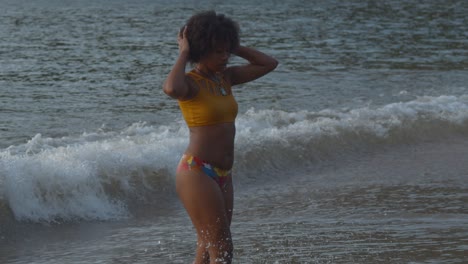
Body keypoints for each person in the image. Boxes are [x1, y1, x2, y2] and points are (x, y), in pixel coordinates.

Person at [163, 10, 278, 264]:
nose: (225, 57)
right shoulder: (191, 83)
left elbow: (269, 63)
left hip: (223, 174)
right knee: (222, 247)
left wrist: (233, 45)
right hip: (197, 171)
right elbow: (171, 88)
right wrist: (184, 52)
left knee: (208, 245)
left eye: (226, 50)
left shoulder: (225, 78)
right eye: (218, 51)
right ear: (200, 50)